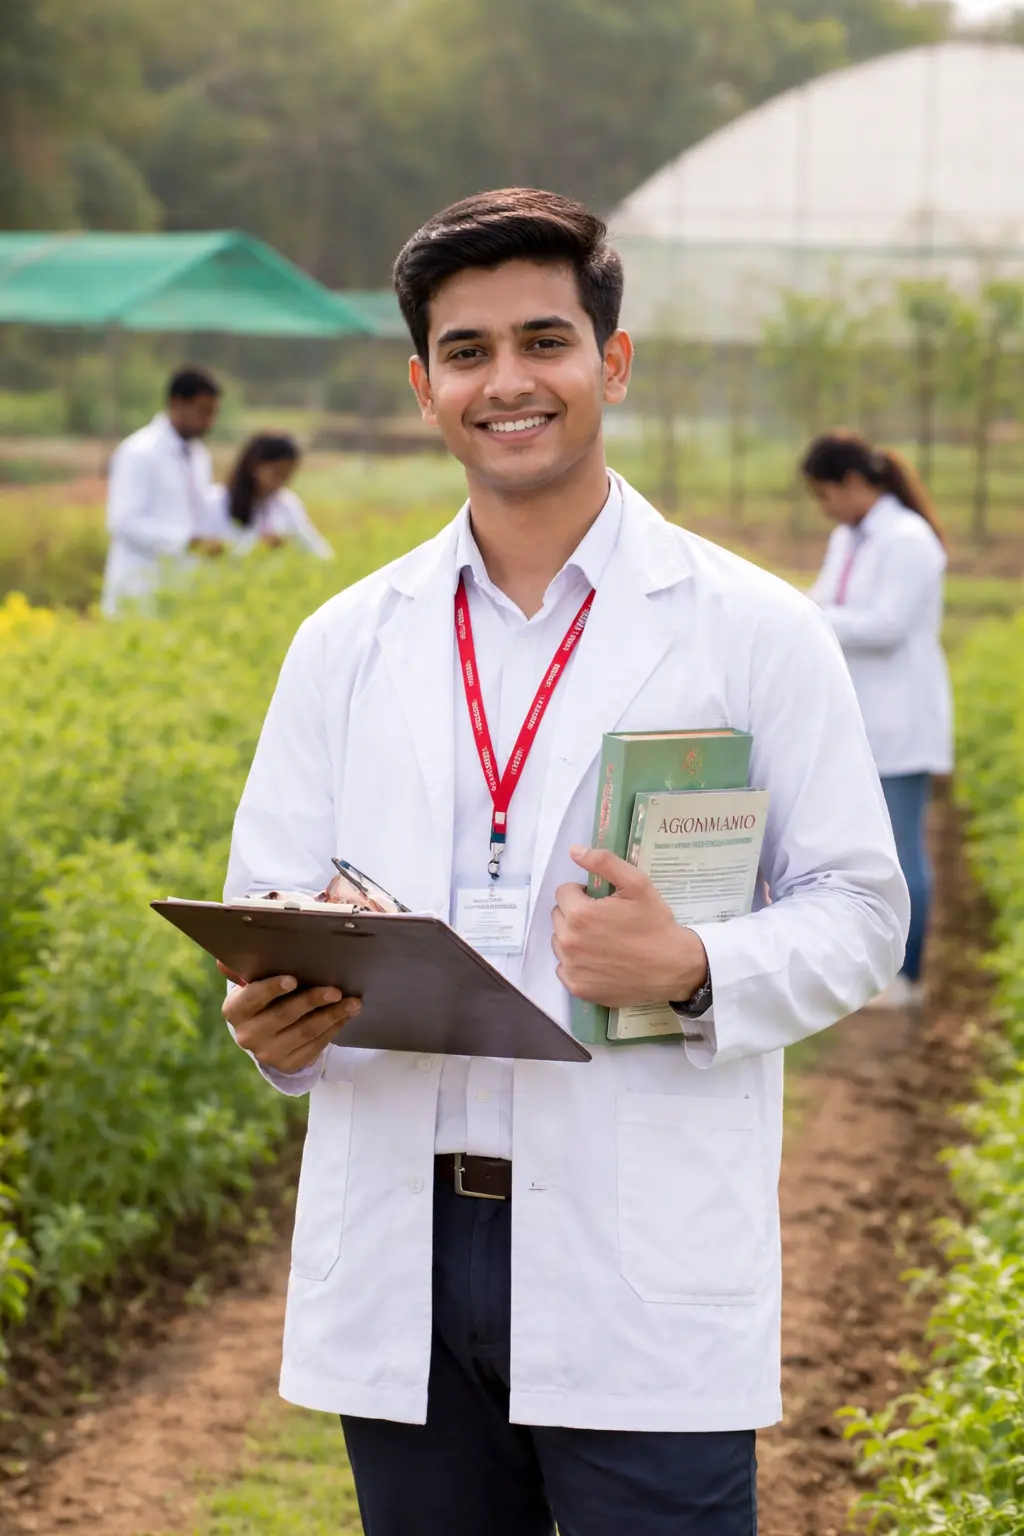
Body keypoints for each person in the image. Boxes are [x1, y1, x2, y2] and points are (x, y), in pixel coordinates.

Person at [221, 190, 908, 1536]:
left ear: (615, 360)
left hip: (635, 1241)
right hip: (410, 1255)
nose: (509, 381)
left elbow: (863, 909)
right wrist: (275, 1019)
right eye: (468, 352)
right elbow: (268, 904)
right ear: (423, 387)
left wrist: (701, 963)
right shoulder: (347, 643)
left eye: (546, 339)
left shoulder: (753, 631)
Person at [804, 432, 953, 1011]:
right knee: (866, 848)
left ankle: (909, 977)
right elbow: (824, 601)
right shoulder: (850, 537)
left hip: (903, 719)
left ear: (854, 484)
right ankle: (873, 968)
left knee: (903, 850)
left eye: (826, 494)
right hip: (863, 714)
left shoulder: (909, 540)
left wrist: (811, 616)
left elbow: (887, 625)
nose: (826, 509)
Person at [101, 368, 223, 617]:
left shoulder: (199, 455)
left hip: (180, 587)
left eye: (212, 413)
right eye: (203, 412)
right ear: (176, 403)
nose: (209, 422)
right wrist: (185, 542)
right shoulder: (140, 452)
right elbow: (123, 522)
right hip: (138, 587)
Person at [205, 433, 333, 558]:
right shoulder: (215, 501)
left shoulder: (286, 504)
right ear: (253, 466)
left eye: (287, 474)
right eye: (276, 472)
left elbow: (320, 552)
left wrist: (286, 548)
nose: (281, 481)